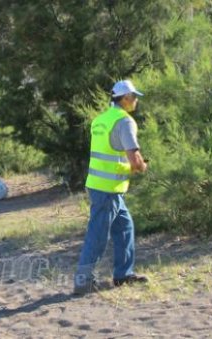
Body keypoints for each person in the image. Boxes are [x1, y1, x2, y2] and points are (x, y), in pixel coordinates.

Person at [74, 79, 149, 295]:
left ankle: (123, 274)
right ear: (125, 99)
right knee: (97, 235)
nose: (136, 101)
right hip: (108, 188)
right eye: (134, 97)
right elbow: (134, 159)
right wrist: (142, 167)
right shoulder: (124, 121)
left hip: (100, 185)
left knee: (125, 228)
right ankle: (83, 281)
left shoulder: (100, 120)